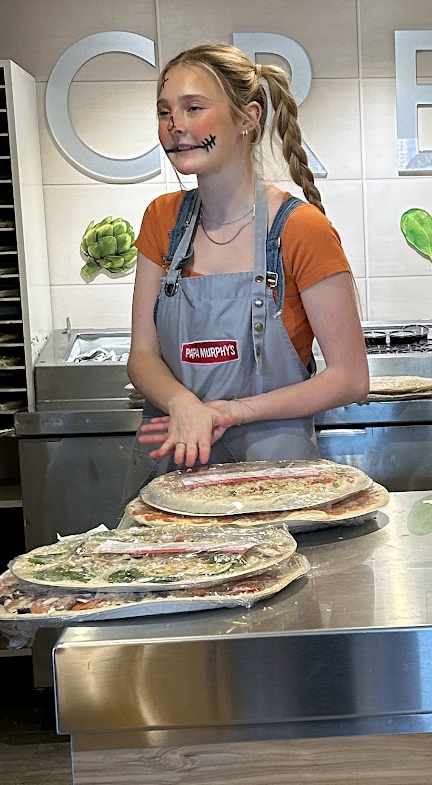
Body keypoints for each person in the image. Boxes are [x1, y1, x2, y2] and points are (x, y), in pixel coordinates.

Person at [129, 43, 369, 468]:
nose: (174, 125)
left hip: (276, 478)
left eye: (193, 108)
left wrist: (233, 412)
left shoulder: (301, 228)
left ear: (248, 117)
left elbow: (349, 378)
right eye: (165, 112)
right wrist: (182, 404)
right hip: (177, 469)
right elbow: (142, 354)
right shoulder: (160, 220)